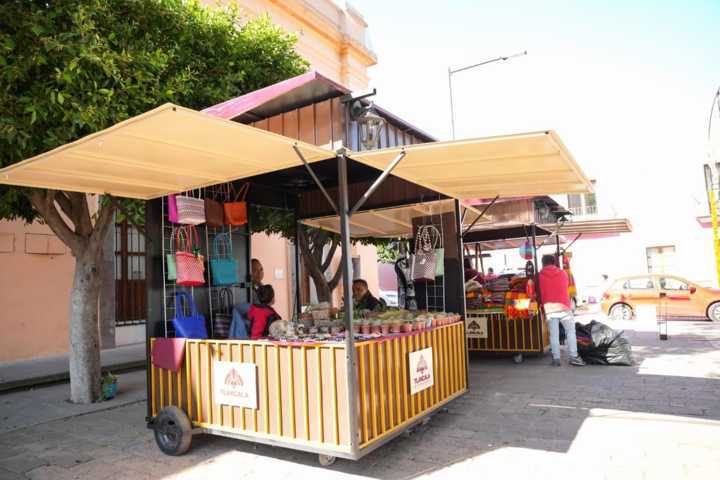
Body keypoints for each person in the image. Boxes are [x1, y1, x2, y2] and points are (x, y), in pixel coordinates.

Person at [539, 254, 585, 367]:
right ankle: (574, 357)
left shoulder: (539, 276)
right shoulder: (563, 273)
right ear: (554, 262)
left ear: (543, 263)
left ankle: (556, 359)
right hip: (564, 307)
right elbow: (567, 286)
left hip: (549, 309)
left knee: (553, 335)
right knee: (570, 332)